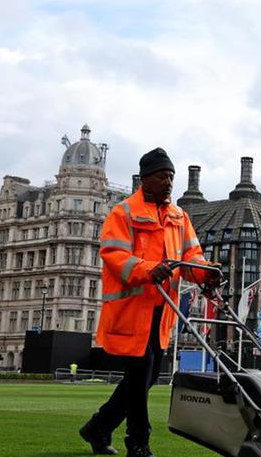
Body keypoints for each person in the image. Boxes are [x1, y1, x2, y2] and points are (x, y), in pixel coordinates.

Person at [79, 148, 220, 457]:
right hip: (131, 310)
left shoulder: (179, 217)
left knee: (145, 376)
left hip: (160, 311)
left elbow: (191, 257)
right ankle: (138, 442)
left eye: (171, 176)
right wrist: (147, 269)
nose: (168, 182)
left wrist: (205, 274)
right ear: (146, 179)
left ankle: (98, 427)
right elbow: (114, 255)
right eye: (162, 176)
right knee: (142, 373)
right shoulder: (124, 212)